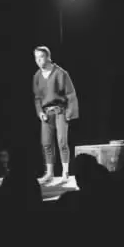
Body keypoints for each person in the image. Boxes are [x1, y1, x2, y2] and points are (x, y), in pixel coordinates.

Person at [33, 46, 79, 183]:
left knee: (62, 141)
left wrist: (69, 113)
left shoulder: (60, 73)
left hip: (60, 111)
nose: (38, 60)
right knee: (46, 143)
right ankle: (49, 173)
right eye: (36, 58)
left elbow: (71, 94)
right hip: (46, 113)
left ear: (48, 57)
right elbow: (37, 98)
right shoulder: (37, 76)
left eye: (41, 57)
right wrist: (40, 112)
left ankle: (65, 172)